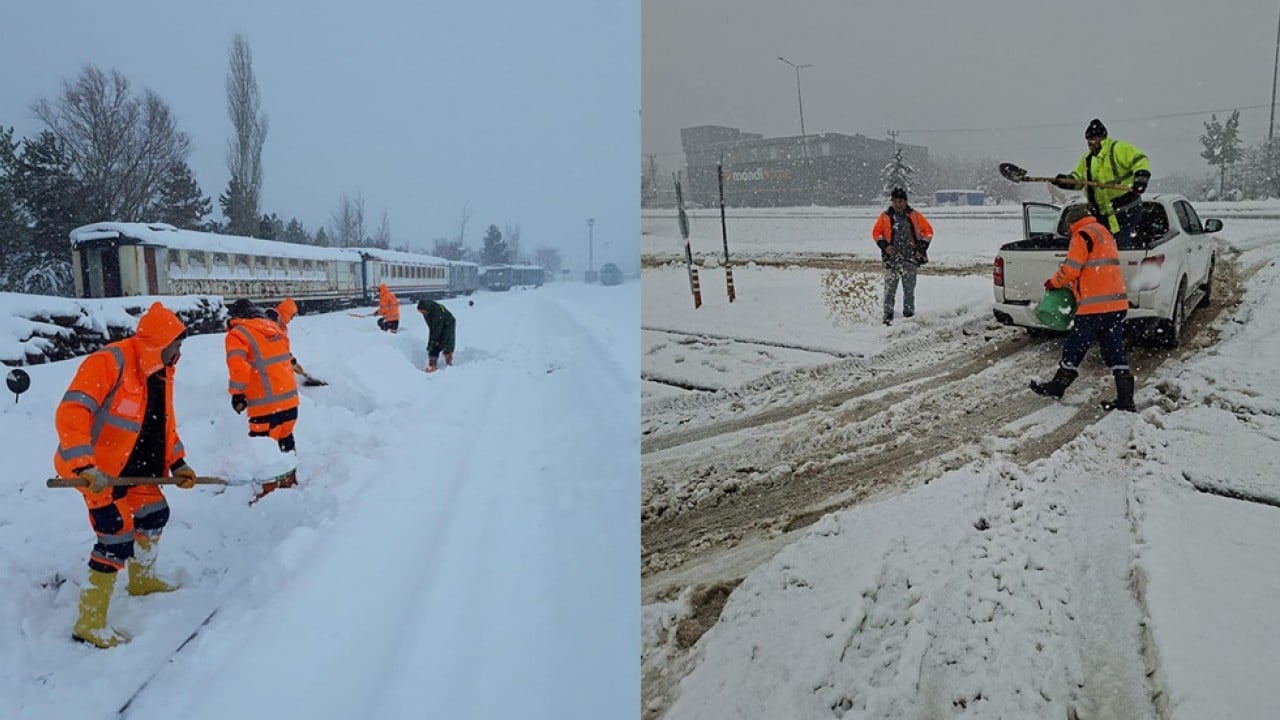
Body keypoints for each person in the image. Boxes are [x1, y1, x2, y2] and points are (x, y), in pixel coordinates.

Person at [53, 302, 199, 648]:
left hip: (137, 471)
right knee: (115, 535)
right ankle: (89, 622)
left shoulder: (162, 372)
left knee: (154, 514)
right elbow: (72, 411)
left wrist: (178, 462)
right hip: (98, 472)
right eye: (176, 345)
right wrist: (84, 465)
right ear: (159, 343)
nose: (179, 353)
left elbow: (162, 426)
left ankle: (142, 580)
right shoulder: (110, 361)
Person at [1030, 205, 1136, 412]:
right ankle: (1126, 399)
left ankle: (1058, 386)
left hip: (1094, 305)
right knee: (1113, 349)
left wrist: (1054, 282)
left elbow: (1071, 269)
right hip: (1116, 303)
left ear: (1072, 223)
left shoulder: (1082, 235)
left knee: (1075, 345)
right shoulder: (1104, 233)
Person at [224, 298, 300, 501]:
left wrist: (237, 394)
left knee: (263, 450)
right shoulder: (273, 328)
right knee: (286, 439)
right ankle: (289, 483)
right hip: (290, 401)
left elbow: (239, 367)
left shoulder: (238, 334)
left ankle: (269, 495)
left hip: (265, 406)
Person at [1053, 118, 1151, 250]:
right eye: (1088, 139)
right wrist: (1066, 181)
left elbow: (1140, 159)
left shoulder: (1118, 149)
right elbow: (1079, 180)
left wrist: (1141, 178)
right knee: (1105, 248)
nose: (1090, 142)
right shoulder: (1087, 159)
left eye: (1094, 138)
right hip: (1103, 215)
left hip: (1126, 211)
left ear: (1103, 137)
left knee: (1120, 248)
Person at [871, 187, 934, 326]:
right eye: (895, 201)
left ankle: (909, 316)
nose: (898, 204)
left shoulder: (915, 216)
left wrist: (921, 248)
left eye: (901, 201)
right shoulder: (885, 216)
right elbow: (876, 233)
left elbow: (928, 232)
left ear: (905, 201)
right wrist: (885, 246)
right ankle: (887, 317)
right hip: (891, 260)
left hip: (910, 259)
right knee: (889, 291)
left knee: (909, 290)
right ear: (892, 201)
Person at [417, 298, 456, 372]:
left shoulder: (437, 312)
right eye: (420, 312)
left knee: (447, 343)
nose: (421, 313)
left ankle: (448, 363)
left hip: (448, 324)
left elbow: (437, 330)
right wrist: (431, 343)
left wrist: (434, 342)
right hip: (439, 324)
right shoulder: (426, 312)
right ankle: (432, 364)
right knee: (434, 345)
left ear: (426, 309)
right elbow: (432, 328)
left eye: (422, 311)